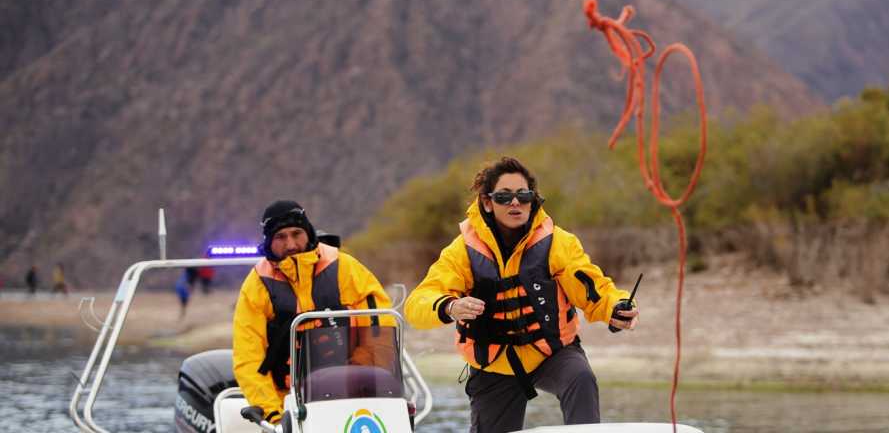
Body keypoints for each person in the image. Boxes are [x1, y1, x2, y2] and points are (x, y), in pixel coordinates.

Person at [404, 157, 640, 432]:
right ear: (488, 202)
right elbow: (417, 303)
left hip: (551, 353)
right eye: (504, 197)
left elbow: (592, 287)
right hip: (494, 365)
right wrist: (450, 307)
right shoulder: (462, 251)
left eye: (523, 195)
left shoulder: (558, 242)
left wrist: (616, 308)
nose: (515, 203)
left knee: (581, 378)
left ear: (533, 199)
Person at [232, 200, 394, 425]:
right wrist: (275, 416)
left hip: (352, 393)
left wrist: (358, 378)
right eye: (280, 237)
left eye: (296, 233)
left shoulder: (346, 269)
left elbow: (380, 329)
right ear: (269, 241)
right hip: (286, 402)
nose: (290, 244)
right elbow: (248, 357)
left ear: (307, 232)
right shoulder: (257, 285)